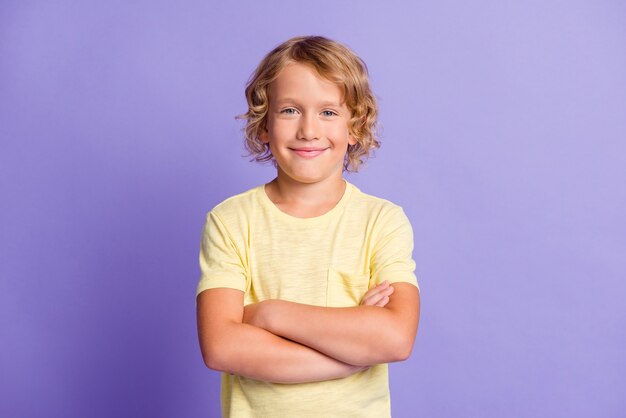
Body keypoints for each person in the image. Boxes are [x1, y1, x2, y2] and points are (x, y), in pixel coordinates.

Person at [196, 35, 420, 418]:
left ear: (355, 127)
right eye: (289, 111)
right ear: (264, 124)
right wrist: (350, 354)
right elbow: (221, 346)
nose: (308, 130)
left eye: (328, 113)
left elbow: (395, 339)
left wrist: (270, 315)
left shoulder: (381, 221)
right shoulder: (230, 221)